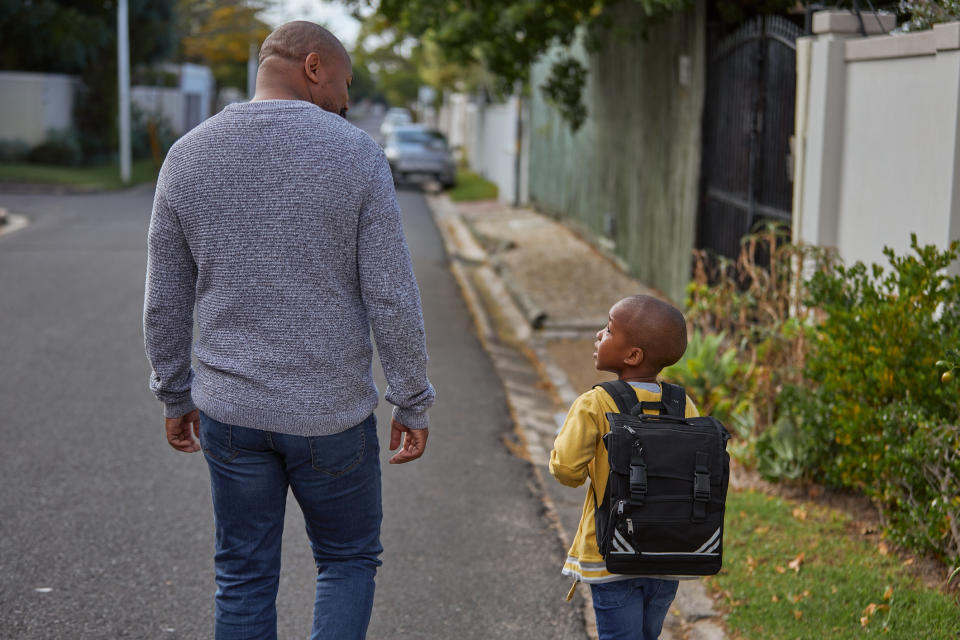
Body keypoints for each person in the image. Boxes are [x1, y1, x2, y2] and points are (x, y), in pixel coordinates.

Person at [143, 21, 435, 640]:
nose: (347, 101)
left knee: (244, 573)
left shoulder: (189, 153)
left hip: (231, 413)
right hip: (330, 416)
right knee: (347, 559)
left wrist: (175, 392)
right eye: (344, 82)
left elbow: (166, 299)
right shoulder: (355, 154)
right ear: (313, 66)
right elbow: (391, 293)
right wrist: (411, 398)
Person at [549, 295, 698, 640]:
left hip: (611, 555)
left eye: (609, 330)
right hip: (668, 553)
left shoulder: (595, 403)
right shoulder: (682, 403)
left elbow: (567, 470)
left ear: (633, 355)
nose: (598, 335)